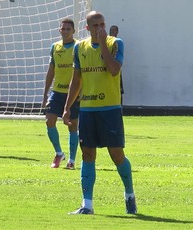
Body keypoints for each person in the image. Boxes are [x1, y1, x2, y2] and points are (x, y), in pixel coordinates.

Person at [62, 11, 137, 215]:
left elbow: (114, 70)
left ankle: (129, 195)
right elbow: (76, 80)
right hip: (87, 109)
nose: (100, 29)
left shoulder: (115, 43)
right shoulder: (79, 48)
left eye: (102, 24)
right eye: (95, 26)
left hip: (110, 109)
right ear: (87, 28)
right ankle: (87, 205)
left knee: (116, 155)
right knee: (87, 154)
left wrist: (102, 43)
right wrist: (67, 107)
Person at [42, 18, 79, 170]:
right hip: (57, 92)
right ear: (59, 30)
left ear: (73, 31)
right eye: (63, 29)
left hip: (73, 93)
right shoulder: (55, 47)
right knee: (49, 121)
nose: (65, 32)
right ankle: (59, 153)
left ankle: (71, 160)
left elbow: (81, 72)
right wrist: (45, 93)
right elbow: (51, 71)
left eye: (68, 29)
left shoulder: (78, 47)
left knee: (72, 126)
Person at [109, 25, 124, 104]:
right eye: (111, 30)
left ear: (117, 32)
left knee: (119, 89)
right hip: (107, 70)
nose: (112, 32)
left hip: (116, 69)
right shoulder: (106, 42)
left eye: (114, 30)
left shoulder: (118, 43)